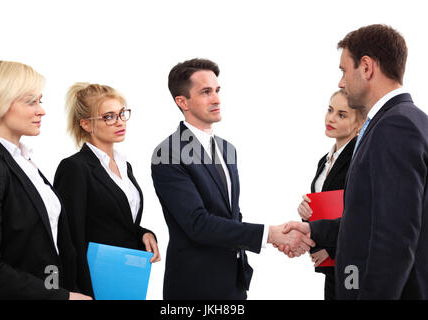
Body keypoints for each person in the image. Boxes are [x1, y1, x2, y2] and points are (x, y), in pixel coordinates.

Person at [283, 24, 428, 299]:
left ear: (366, 67)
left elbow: (394, 238)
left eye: (343, 70)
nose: (341, 82)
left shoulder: (395, 126)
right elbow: (369, 219)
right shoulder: (406, 120)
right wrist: (313, 228)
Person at [151, 58, 315, 300]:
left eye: (217, 90)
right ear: (182, 101)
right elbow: (197, 224)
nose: (216, 99)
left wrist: (281, 239)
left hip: (233, 282)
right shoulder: (167, 153)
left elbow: (230, 214)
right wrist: (270, 234)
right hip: (194, 287)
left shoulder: (227, 149)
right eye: (206, 92)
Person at [0, 61, 90, 300]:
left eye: (40, 100)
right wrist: (62, 298)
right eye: (31, 101)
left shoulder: (23, 161)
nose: (42, 110)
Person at [53, 82, 160, 298]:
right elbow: (70, 236)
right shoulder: (75, 167)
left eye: (122, 114)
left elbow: (115, 220)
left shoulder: (124, 165)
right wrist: (77, 291)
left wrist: (144, 233)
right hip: (93, 282)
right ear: (86, 124)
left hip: (126, 275)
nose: (120, 122)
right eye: (108, 117)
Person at [297, 89, 365, 300]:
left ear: (359, 125)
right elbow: (326, 205)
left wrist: (332, 250)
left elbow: (362, 217)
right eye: (330, 110)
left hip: (351, 262)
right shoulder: (325, 160)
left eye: (341, 115)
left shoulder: (359, 160)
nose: (331, 118)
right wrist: (306, 212)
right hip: (329, 260)